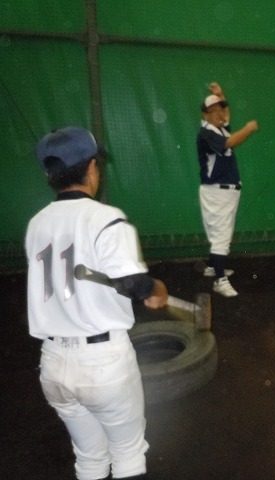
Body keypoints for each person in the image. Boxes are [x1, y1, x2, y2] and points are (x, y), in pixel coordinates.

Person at [25, 126, 169, 480]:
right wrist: (157, 288)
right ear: (91, 168)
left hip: (53, 364)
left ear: (49, 176)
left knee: (89, 457)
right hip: (103, 364)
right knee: (128, 454)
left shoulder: (36, 224)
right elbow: (134, 283)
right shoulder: (107, 219)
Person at [196, 82, 259, 297]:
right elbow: (230, 142)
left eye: (221, 109)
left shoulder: (218, 128)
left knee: (219, 233)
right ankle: (219, 280)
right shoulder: (207, 133)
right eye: (214, 111)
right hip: (217, 192)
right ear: (205, 115)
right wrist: (248, 129)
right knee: (221, 236)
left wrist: (221, 95)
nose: (220, 114)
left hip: (224, 192)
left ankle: (214, 267)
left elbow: (227, 120)